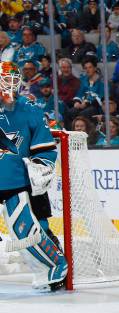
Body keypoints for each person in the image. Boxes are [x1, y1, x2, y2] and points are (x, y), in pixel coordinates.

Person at [0, 61, 67, 291]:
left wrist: (41, 167)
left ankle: (55, 268)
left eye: (13, 81)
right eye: (5, 80)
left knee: (35, 228)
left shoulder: (31, 111)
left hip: (22, 183)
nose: (9, 86)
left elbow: (46, 149)